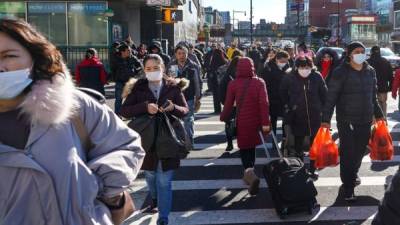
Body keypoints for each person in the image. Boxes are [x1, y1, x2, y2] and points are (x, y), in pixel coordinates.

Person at [0, 19, 145, 225]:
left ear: (34, 59)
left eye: (9, 56)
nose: (1, 68)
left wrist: (100, 187)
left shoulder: (75, 106)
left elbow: (126, 145)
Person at [120, 54, 188, 225]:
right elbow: (125, 110)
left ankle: (163, 218)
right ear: (144, 70)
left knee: (164, 181)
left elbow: (185, 110)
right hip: (146, 140)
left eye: (156, 68)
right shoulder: (139, 87)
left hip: (168, 139)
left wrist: (174, 107)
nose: (152, 71)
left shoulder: (173, 87)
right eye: (148, 69)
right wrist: (144, 107)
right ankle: (155, 199)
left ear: (163, 68)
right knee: (150, 175)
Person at [321, 41, 384, 202]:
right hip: (347, 119)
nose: (360, 54)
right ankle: (348, 187)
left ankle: (352, 175)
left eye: (362, 51)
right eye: (356, 51)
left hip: (365, 119)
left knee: (360, 151)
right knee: (348, 153)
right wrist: (325, 120)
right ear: (349, 54)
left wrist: (379, 115)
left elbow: (373, 97)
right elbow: (331, 97)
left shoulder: (370, 71)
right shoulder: (340, 72)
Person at [220, 57, 271, 195]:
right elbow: (264, 104)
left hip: (242, 122)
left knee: (244, 147)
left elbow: (228, 104)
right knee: (252, 146)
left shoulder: (233, 84)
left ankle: (249, 172)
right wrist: (266, 123)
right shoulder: (260, 82)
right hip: (256, 122)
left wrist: (223, 117)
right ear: (252, 67)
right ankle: (250, 171)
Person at [280, 57, 327, 180]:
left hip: (314, 115)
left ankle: (312, 168)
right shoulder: (290, 77)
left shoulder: (316, 76)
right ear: (297, 67)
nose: (304, 70)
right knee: (298, 143)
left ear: (311, 67)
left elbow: (324, 93)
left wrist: (322, 109)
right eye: (301, 67)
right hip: (297, 115)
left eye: (307, 67)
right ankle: (300, 167)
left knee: (314, 144)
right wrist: (289, 106)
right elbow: (282, 92)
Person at [168, 45, 202, 149]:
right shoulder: (171, 66)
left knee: (188, 121)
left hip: (189, 98)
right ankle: (178, 142)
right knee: (175, 121)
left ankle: (189, 143)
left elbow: (197, 82)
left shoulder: (193, 66)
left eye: (184, 53)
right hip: (175, 98)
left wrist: (198, 96)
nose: (182, 56)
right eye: (179, 53)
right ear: (176, 55)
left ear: (187, 54)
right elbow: (168, 83)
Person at [261, 50, 291, 135]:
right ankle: (273, 139)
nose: (284, 63)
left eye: (286, 61)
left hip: (284, 98)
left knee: (285, 120)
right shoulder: (268, 67)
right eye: (282, 61)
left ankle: (285, 139)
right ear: (276, 59)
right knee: (273, 119)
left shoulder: (287, 66)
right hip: (272, 98)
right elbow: (265, 84)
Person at [220, 55, 243, 151]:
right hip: (234, 104)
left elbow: (220, 90)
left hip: (232, 104)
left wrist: (225, 102)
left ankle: (230, 143)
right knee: (233, 124)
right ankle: (232, 143)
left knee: (229, 124)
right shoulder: (229, 76)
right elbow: (222, 90)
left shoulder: (227, 75)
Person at [114, 43, 143, 114]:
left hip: (130, 82)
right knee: (118, 99)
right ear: (122, 52)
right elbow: (113, 70)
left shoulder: (133, 58)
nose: (130, 52)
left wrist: (135, 72)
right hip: (120, 82)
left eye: (130, 50)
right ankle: (117, 115)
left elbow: (140, 67)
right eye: (128, 51)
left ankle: (130, 114)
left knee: (132, 99)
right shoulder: (116, 60)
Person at [367, 46, 393, 117]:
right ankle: (384, 121)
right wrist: (390, 87)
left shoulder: (367, 62)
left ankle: (373, 124)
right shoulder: (385, 61)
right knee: (383, 104)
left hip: (370, 89)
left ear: (371, 52)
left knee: (371, 105)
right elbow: (391, 76)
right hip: (383, 88)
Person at [209, 48, 229, 114]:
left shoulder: (213, 62)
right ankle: (226, 109)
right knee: (226, 96)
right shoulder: (225, 62)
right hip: (224, 82)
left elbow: (210, 73)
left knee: (216, 97)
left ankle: (217, 110)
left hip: (215, 82)